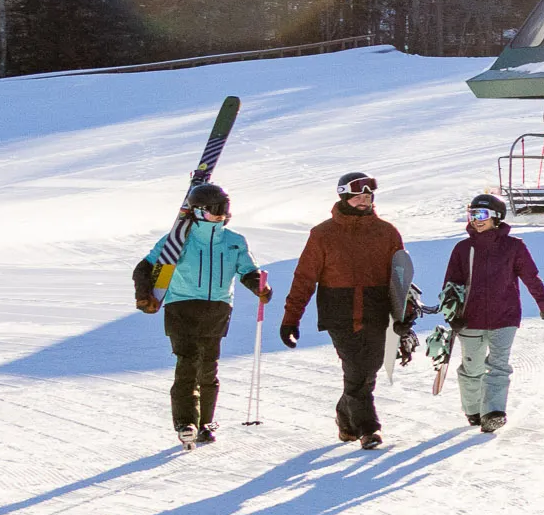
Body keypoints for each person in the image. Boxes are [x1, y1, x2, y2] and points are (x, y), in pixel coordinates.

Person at [281, 171, 415, 450]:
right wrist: (291, 319)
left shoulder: (387, 232)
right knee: (357, 368)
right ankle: (369, 429)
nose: (365, 199)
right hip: (339, 313)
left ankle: (345, 417)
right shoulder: (323, 234)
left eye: (368, 195)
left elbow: (400, 276)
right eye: (358, 195)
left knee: (370, 369)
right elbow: (304, 278)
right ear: (344, 197)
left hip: (376, 310)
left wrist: (403, 313)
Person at [133, 182, 269, 448]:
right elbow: (144, 268)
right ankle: (186, 423)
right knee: (188, 362)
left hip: (218, 308)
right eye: (214, 209)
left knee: (208, 367)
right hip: (181, 306)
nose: (220, 215)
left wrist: (260, 287)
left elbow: (247, 270)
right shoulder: (178, 239)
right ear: (197, 211)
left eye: (224, 208)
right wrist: (144, 295)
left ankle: (205, 423)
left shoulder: (234, 241)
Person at [443, 191, 544, 433]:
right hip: (469, 319)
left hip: (505, 316)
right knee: (472, 368)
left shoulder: (514, 247)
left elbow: (531, 277)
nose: (476, 219)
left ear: (496, 216)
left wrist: (543, 303)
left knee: (499, 365)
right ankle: (473, 409)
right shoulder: (463, 248)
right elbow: (451, 284)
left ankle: (493, 413)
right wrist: (452, 314)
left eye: (482, 214)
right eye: (472, 214)